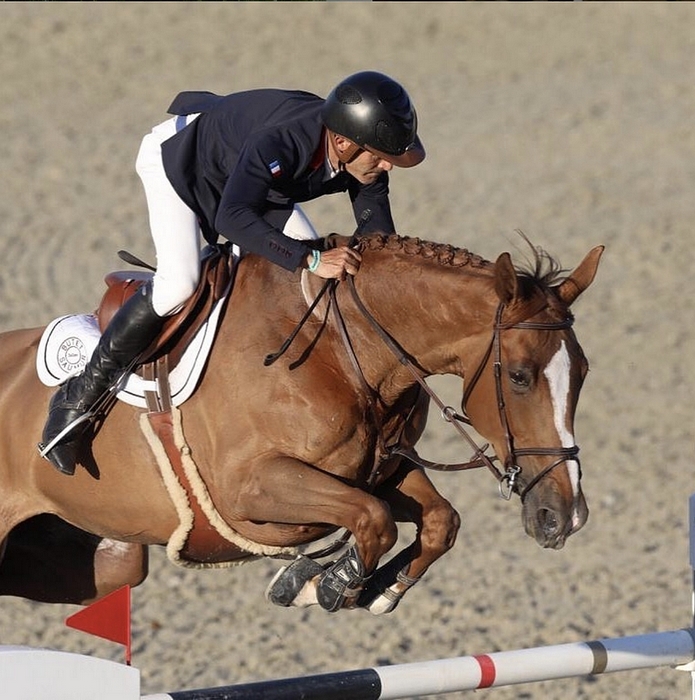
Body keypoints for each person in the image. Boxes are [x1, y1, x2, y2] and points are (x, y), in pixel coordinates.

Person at [39, 70, 426, 476]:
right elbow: (233, 217)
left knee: (305, 284)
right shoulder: (284, 141)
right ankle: (76, 400)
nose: (388, 167)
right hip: (182, 162)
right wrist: (312, 260)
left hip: (251, 179)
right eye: (381, 156)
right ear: (344, 142)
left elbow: (380, 239)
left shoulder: (360, 157)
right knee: (179, 282)